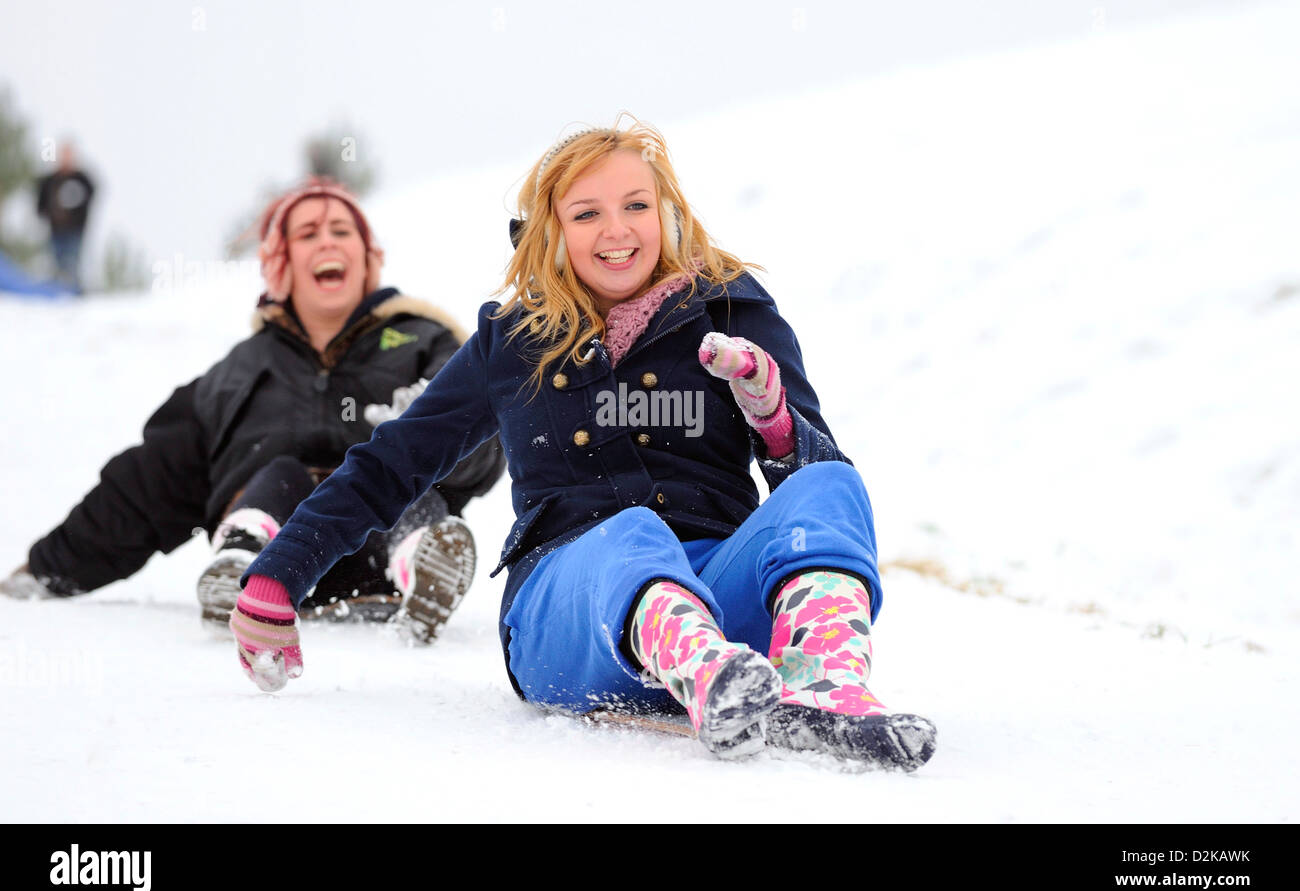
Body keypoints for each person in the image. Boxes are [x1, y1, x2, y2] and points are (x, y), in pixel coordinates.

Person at [229, 122, 936, 769]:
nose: (617, 230)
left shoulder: (731, 307)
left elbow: (808, 499)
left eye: (635, 205)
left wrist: (771, 413)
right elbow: (392, 464)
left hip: (719, 588)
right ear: (552, 231)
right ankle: (700, 669)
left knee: (831, 484)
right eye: (586, 212)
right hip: (565, 608)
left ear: (666, 212)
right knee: (628, 533)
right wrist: (278, 576)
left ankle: (823, 688)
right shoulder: (514, 341)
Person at [1, 178, 505, 641]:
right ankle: (240, 561)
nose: (327, 241)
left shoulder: (426, 343)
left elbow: (486, 438)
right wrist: (48, 568)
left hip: (379, 540)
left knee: (391, 483)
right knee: (279, 473)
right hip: (273, 550)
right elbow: (145, 486)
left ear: (366, 254)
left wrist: (421, 420)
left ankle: (422, 564)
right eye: (308, 233)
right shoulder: (237, 373)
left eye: (341, 230)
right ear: (281, 261)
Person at [35, 142, 95, 293]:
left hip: (75, 231)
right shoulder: (51, 180)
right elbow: (41, 199)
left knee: (72, 264)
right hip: (56, 230)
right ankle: (57, 295)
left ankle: (75, 294)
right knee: (57, 264)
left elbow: (92, 194)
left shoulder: (82, 179)